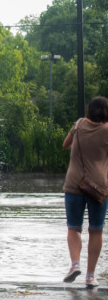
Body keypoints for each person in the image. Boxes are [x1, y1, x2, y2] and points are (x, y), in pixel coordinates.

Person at [62, 96, 108, 288]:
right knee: (95, 230)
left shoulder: (79, 124)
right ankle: (90, 276)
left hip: (74, 183)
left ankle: (75, 264)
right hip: (99, 185)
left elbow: (66, 144)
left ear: (89, 110)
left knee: (74, 228)